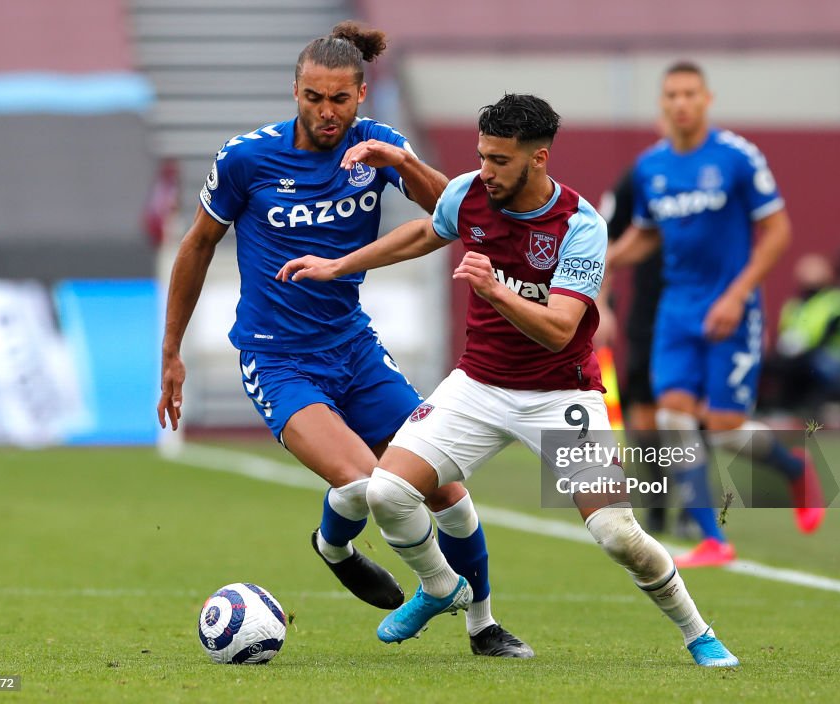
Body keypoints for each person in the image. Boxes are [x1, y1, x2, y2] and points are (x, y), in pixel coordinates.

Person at [278, 93, 739, 667]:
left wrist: (495, 288)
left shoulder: (579, 225)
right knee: (388, 491)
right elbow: (427, 232)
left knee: (618, 535)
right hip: (478, 386)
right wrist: (339, 265)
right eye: (482, 156)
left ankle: (699, 633)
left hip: (561, 395)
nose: (485, 171)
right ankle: (441, 587)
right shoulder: (468, 193)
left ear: (538, 158)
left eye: (499, 160)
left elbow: (561, 329)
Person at [156, 21, 530, 657]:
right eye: (312, 97)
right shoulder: (247, 158)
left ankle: (483, 626)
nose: (325, 112)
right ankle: (401, 570)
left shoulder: (376, 146)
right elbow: (196, 245)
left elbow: (461, 217)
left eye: (338, 99)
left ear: (361, 96)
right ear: (294, 91)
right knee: (367, 484)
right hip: (277, 359)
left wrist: (404, 162)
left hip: (354, 350)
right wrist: (171, 352)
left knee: (447, 490)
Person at [606, 61, 826, 568]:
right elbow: (646, 233)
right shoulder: (650, 168)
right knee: (672, 419)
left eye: (690, 93)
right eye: (672, 95)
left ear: (707, 99)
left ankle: (793, 467)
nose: (681, 103)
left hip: (731, 308)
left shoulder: (737, 157)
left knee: (725, 429)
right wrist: (605, 261)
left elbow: (778, 232)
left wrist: (737, 295)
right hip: (675, 311)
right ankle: (712, 538)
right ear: (662, 104)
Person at [596, 165, 670, 534]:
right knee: (644, 408)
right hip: (650, 308)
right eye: (672, 99)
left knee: (696, 410)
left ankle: (694, 504)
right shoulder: (641, 176)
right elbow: (603, 240)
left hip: (707, 308)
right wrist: (601, 303)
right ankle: (659, 505)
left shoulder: (727, 167)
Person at [762, 253, 840, 414]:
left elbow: (830, 335)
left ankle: (825, 404)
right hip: (798, 353)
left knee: (810, 363)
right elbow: (785, 334)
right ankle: (780, 408)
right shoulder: (794, 304)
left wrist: (802, 352)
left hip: (829, 355)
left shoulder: (837, 300)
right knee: (776, 364)